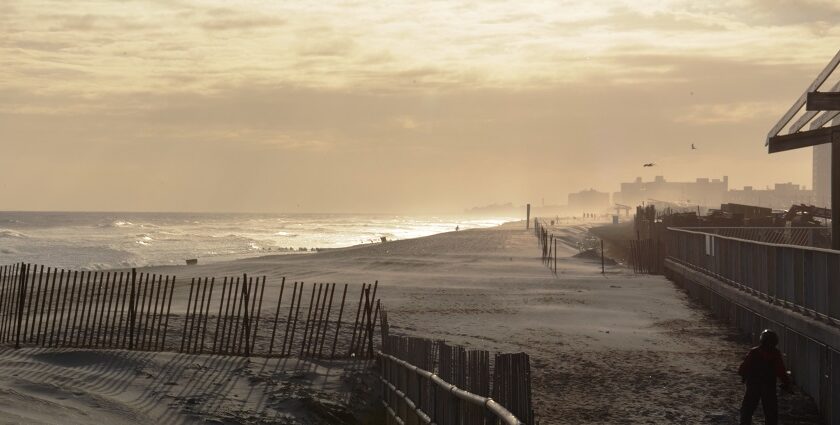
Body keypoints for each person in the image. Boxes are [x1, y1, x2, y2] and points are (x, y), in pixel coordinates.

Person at [738, 329, 793, 425]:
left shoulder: (754, 352)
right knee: (771, 413)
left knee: (747, 410)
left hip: (753, 385)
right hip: (769, 386)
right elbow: (781, 371)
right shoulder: (775, 354)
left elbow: (743, 367)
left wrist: (743, 375)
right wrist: (786, 383)